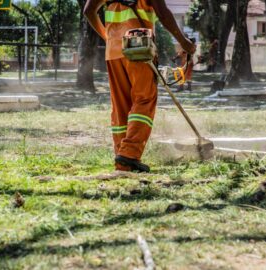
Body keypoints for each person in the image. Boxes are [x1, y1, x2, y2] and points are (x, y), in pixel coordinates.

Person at [84, 0, 196, 172]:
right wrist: (183, 41)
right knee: (145, 100)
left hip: (114, 51)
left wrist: (108, 37)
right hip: (139, 48)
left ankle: (122, 158)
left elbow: (89, 10)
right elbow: (163, 13)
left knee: (121, 106)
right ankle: (129, 155)